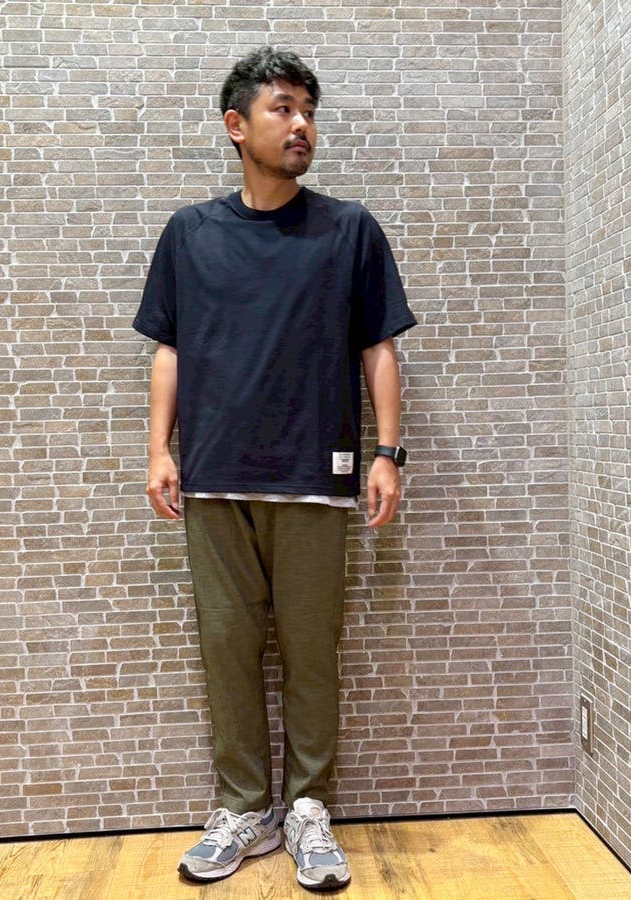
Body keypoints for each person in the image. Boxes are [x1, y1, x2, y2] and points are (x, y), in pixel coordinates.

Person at [133, 46, 415, 892]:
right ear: (236, 124)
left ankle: (308, 810)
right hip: (213, 479)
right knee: (226, 651)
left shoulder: (349, 229)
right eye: (283, 109)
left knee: (311, 654)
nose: (302, 126)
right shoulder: (190, 233)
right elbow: (169, 349)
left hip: (315, 478)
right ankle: (242, 811)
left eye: (308, 112)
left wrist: (388, 453)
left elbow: (379, 346)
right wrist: (158, 449)